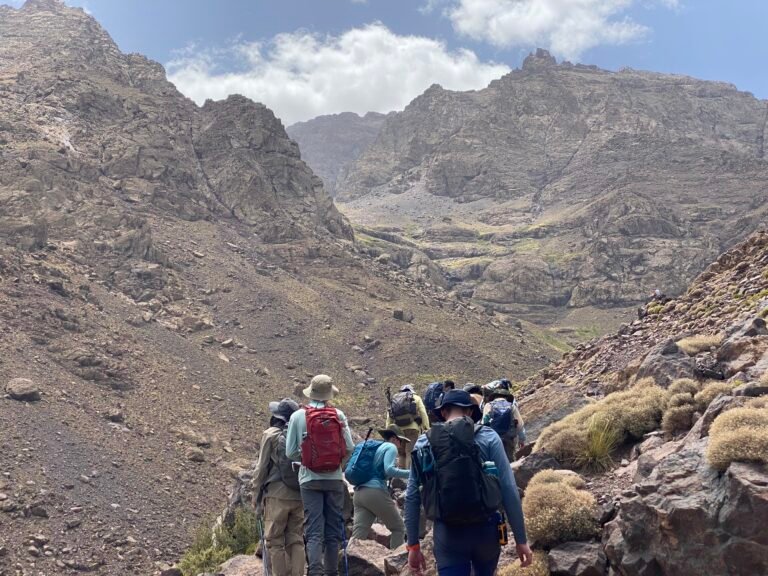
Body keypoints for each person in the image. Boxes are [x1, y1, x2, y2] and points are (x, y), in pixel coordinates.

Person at [405, 389, 532, 576]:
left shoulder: (425, 442)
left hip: (448, 534)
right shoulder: (489, 437)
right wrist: (521, 540)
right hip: (487, 532)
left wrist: (413, 545)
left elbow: (412, 497)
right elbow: (508, 489)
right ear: (471, 412)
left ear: (443, 412)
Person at [286, 375, 355, 576]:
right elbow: (349, 447)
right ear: (328, 394)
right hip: (334, 479)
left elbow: (290, 452)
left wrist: (308, 459)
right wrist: (336, 465)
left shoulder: (298, 416)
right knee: (333, 531)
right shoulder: (339, 415)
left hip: (309, 480)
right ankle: (332, 572)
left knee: (314, 531)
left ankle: (315, 572)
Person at [252, 398, 304, 576]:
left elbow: (261, 468)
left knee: (275, 541)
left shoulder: (271, 434)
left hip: (276, 495)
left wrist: (256, 496)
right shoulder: (300, 434)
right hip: (299, 494)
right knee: (296, 539)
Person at [351, 425, 411, 549]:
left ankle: (347, 564)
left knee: (358, 534)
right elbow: (389, 469)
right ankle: (395, 564)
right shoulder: (390, 447)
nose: (401, 445)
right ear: (395, 439)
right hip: (375, 491)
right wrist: (411, 473)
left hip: (359, 493)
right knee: (399, 528)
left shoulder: (376, 447)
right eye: (401, 441)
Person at [386, 384, 430, 469]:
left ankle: (400, 476)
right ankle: (408, 476)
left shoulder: (395, 399)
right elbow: (423, 413)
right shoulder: (416, 397)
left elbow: (389, 417)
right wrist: (426, 427)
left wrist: (388, 430)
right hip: (412, 429)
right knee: (410, 452)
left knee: (401, 453)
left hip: (398, 430)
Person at [482, 386, 526, 463]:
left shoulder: (488, 405)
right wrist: (521, 439)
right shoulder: (511, 406)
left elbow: (484, 423)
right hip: (509, 438)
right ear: (507, 397)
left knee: (494, 460)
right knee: (509, 461)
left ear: (494, 397)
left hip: (493, 438)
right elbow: (519, 424)